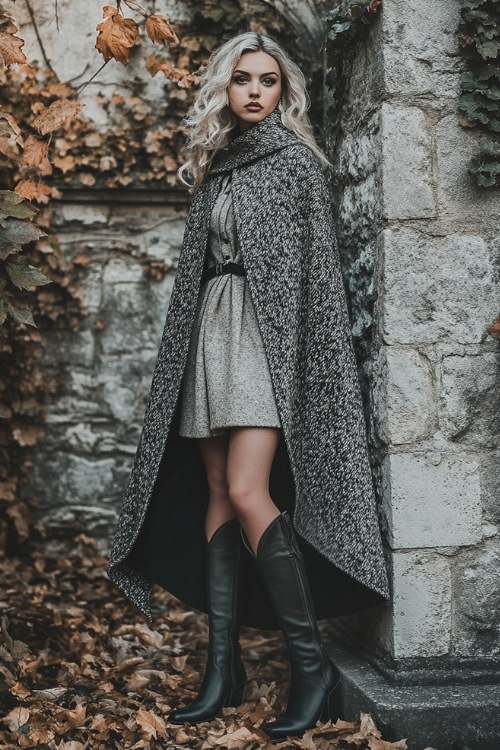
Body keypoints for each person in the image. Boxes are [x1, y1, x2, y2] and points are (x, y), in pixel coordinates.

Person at [107, 32, 390, 743]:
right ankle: (222, 668)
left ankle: (311, 667)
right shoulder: (218, 166)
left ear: (283, 90)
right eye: (242, 79)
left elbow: (315, 280)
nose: (255, 90)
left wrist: (297, 359)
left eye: (268, 79)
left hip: (265, 342)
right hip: (211, 333)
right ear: (224, 90)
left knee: (247, 489)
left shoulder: (295, 163)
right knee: (214, 490)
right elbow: (197, 276)